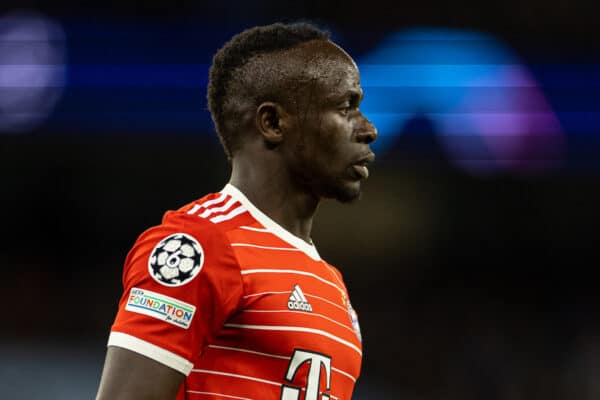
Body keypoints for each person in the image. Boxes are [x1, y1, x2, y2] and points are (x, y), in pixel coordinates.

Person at [96, 21, 377, 400]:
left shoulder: (332, 285)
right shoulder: (199, 244)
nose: (369, 129)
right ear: (273, 122)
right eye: (347, 108)